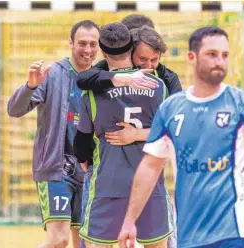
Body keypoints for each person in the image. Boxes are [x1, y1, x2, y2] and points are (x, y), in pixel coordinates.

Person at [118, 26, 244, 248]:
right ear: (192, 57)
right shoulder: (170, 109)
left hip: (236, 233)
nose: (219, 61)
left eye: (224, 55)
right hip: (189, 236)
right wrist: (129, 220)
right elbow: (150, 167)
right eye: (212, 54)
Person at [73, 22, 172, 248]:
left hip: (107, 183)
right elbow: (172, 134)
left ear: (102, 51)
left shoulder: (92, 91)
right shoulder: (159, 86)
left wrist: (87, 164)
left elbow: (81, 144)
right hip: (149, 184)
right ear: (132, 50)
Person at [7, 20, 101, 248]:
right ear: (70, 43)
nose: (87, 50)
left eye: (92, 44)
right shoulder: (52, 74)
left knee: (87, 242)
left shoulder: (102, 79)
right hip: (56, 169)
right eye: (82, 43)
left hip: (91, 171)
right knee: (58, 240)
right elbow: (14, 110)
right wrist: (29, 87)